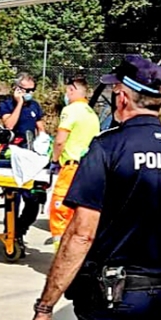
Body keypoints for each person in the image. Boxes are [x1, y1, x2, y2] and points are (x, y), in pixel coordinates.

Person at [24, 55, 161, 320]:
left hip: (111, 298)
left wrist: (45, 306)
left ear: (121, 97)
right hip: (160, 297)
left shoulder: (107, 148)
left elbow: (81, 235)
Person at [48, 75, 100, 249]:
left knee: (60, 211)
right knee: (79, 213)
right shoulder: (92, 114)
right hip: (89, 170)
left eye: (67, 91)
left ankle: (60, 253)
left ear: (72, 90)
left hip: (71, 168)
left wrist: (54, 159)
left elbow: (60, 141)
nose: (66, 95)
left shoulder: (71, 111)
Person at [0, 71, 46, 245]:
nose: (29, 93)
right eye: (26, 90)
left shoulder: (35, 106)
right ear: (17, 89)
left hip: (31, 154)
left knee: (34, 198)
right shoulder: (6, 105)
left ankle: (19, 229)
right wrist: (18, 103)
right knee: (13, 199)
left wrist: (44, 141)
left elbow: (40, 127)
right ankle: (10, 233)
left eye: (32, 90)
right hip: (14, 155)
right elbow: (9, 124)